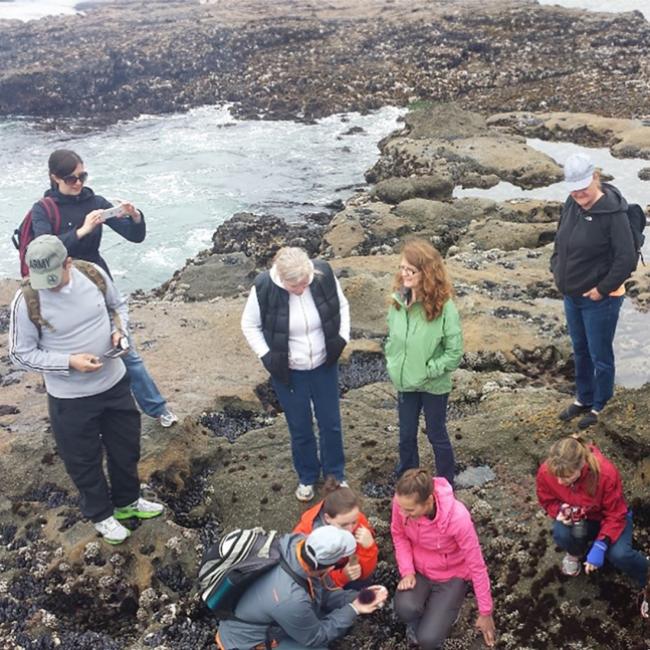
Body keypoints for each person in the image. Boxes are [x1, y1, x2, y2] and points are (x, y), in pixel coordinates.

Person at [8, 235, 164, 544]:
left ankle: (127, 502)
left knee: (126, 448)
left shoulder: (92, 273)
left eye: (53, 277)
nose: (48, 285)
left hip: (114, 383)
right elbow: (20, 353)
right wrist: (69, 361)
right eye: (41, 279)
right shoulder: (26, 300)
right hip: (70, 399)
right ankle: (101, 515)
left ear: (68, 263)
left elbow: (117, 306)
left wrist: (120, 333)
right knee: (83, 459)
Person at [30, 148, 177, 428]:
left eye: (82, 175)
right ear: (54, 178)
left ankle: (158, 409)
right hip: (58, 284)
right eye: (71, 178)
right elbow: (45, 251)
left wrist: (134, 216)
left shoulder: (94, 200)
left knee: (124, 347)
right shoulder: (43, 209)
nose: (78, 183)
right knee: (63, 348)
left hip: (96, 279)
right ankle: (68, 418)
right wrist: (82, 230)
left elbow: (134, 237)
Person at [241, 246, 350, 502]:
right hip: (289, 371)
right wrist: (267, 356)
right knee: (300, 427)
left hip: (324, 364)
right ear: (281, 278)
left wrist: (342, 338)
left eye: (305, 283)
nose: (301, 290)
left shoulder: (322, 272)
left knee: (330, 424)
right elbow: (249, 324)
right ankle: (307, 476)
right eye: (295, 287)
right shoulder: (264, 286)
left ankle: (335, 474)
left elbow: (342, 306)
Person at [550, 152, 636, 429]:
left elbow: (626, 259)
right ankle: (583, 398)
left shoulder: (613, 213)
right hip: (572, 295)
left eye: (583, 189)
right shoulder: (571, 204)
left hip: (600, 300)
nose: (579, 195)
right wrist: (556, 269)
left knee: (600, 354)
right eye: (573, 190)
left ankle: (601, 405)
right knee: (580, 349)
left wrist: (601, 290)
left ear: (596, 178)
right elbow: (560, 240)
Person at [215, 525, 388, 650]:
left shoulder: (295, 545)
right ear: (328, 568)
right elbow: (315, 637)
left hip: (267, 615)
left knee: (323, 615)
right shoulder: (291, 598)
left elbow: (322, 594)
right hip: (244, 643)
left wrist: (360, 596)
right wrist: (354, 609)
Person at [536, 435, 648, 616]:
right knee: (562, 533)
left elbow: (616, 513)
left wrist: (601, 544)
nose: (560, 482)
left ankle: (647, 577)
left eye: (567, 477)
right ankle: (576, 553)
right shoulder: (547, 471)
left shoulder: (605, 474)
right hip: (581, 517)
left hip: (612, 517)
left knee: (619, 554)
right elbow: (546, 499)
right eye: (556, 476)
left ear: (581, 467)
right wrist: (560, 510)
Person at [385, 239, 463, 485]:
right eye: (402, 268)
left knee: (436, 434)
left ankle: (446, 483)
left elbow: (454, 351)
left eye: (411, 270)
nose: (404, 274)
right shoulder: (397, 302)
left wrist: (431, 370)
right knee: (406, 435)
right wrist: (392, 361)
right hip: (405, 382)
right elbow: (392, 338)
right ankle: (408, 479)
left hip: (433, 384)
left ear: (427, 273)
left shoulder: (445, 307)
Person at [391, 468, 496, 649]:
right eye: (401, 508)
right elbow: (398, 534)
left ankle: (447, 612)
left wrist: (485, 612)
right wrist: (407, 571)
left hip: (451, 576)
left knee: (428, 640)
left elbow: (477, 566)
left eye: (409, 510)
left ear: (429, 501)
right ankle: (425, 618)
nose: (403, 514)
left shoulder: (458, 518)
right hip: (419, 571)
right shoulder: (402, 503)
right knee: (404, 609)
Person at [293, 476, 378, 589]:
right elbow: (311, 584)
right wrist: (342, 576)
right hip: (324, 579)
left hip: (343, 567)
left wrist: (369, 548)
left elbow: (364, 573)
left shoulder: (356, 519)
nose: (351, 529)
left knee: (362, 583)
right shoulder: (305, 536)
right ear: (327, 518)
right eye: (343, 525)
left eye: (354, 522)